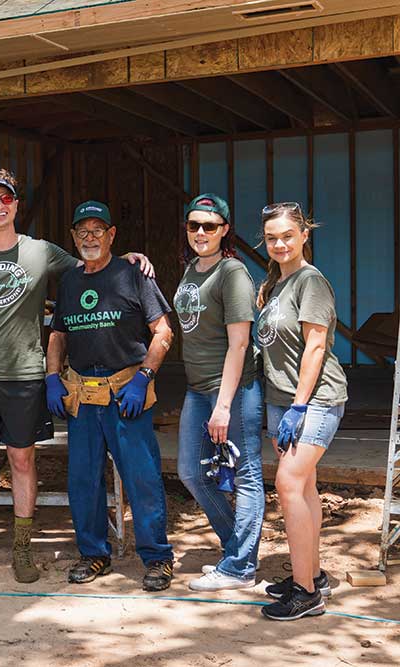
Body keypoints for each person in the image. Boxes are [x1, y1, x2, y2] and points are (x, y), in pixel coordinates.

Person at [0, 173, 152, 584]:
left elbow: (94, 263)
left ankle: (22, 549)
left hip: (25, 375)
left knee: (22, 459)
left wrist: (128, 258)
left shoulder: (40, 251)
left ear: (16, 205)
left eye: (7, 199)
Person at [46, 200, 175, 592]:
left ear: (112, 235)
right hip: (83, 395)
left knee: (143, 479)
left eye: (97, 231)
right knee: (82, 481)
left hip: (125, 394)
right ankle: (94, 554)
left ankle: (157, 559)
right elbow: (58, 334)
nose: (90, 238)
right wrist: (53, 376)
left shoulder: (133, 274)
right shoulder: (69, 281)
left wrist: (144, 377)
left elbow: (163, 332)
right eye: (82, 232)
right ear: (73, 238)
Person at [255, 202, 347, 621]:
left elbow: (314, 346)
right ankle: (311, 574)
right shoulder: (278, 283)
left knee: (288, 484)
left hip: (315, 399)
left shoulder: (311, 282)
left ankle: (307, 594)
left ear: (304, 235)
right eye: (272, 237)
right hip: (282, 398)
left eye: (287, 235)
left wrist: (298, 405)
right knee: (305, 487)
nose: (279, 243)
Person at [173, 194, 264, 591]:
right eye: (194, 225)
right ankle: (237, 550)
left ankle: (241, 567)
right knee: (191, 472)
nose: (200, 233)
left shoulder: (233, 273)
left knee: (245, 475)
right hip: (197, 388)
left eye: (209, 226)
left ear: (225, 229)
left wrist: (224, 405)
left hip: (232, 391)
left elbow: (239, 344)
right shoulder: (191, 269)